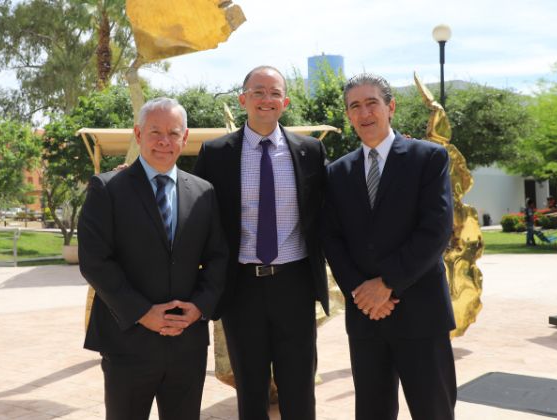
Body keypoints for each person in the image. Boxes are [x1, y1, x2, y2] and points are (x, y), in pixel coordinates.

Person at [78, 97, 228, 420]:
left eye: (173, 133)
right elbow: (94, 261)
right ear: (138, 133)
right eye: (154, 132)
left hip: (187, 346)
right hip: (128, 343)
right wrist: (143, 313)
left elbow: (218, 257)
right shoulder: (106, 189)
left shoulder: (204, 192)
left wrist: (199, 307)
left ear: (185, 138)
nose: (164, 141)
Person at [193, 65, 329, 420]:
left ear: (284, 101)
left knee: (299, 388)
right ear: (243, 99)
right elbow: (198, 215)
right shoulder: (216, 153)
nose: (266, 99)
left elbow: (328, 216)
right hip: (241, 290)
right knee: (250, 391)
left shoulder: (311, 151)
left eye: (273, 93)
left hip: (295, 285)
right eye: (258, 92)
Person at [322, 73, 457, 420]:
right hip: (367, 317)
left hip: (421, 313)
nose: (364, 113)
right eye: (355, 106)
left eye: (372, 103)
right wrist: (361, 292)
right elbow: (332, 239)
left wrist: (386, 285)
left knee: (434, 411)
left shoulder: (428, 159)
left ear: (390, 107)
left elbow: (435, 231)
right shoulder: (336, 173)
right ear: (349, 115)